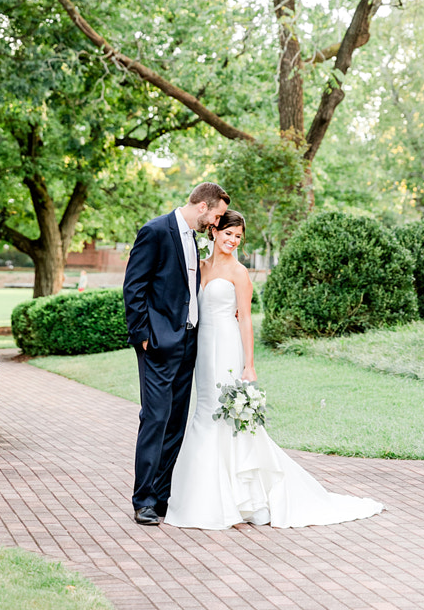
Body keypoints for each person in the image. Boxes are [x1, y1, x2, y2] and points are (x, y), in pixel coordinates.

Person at [164, 209, 385, 530]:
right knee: (205, 411)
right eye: (228, 233)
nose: (233, 241)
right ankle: (205, 496)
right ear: (214, 232)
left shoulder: (240, 273)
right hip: (201, 351)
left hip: (227, 347)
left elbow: (246, 319)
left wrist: (249, 364)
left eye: (238, 236)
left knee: (227, 415)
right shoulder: (198, 267)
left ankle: (245, 497)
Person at [123, 181, 230, 525]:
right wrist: (143, 336)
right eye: (216, 215)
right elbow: (134, 287)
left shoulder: (193, 239)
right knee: (155, 419)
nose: (216, 223)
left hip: (188, 345)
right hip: (157, 344)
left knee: (176, 424)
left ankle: (163, 495)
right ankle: (144, 501)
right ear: (203, 207)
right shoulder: (155, 231)